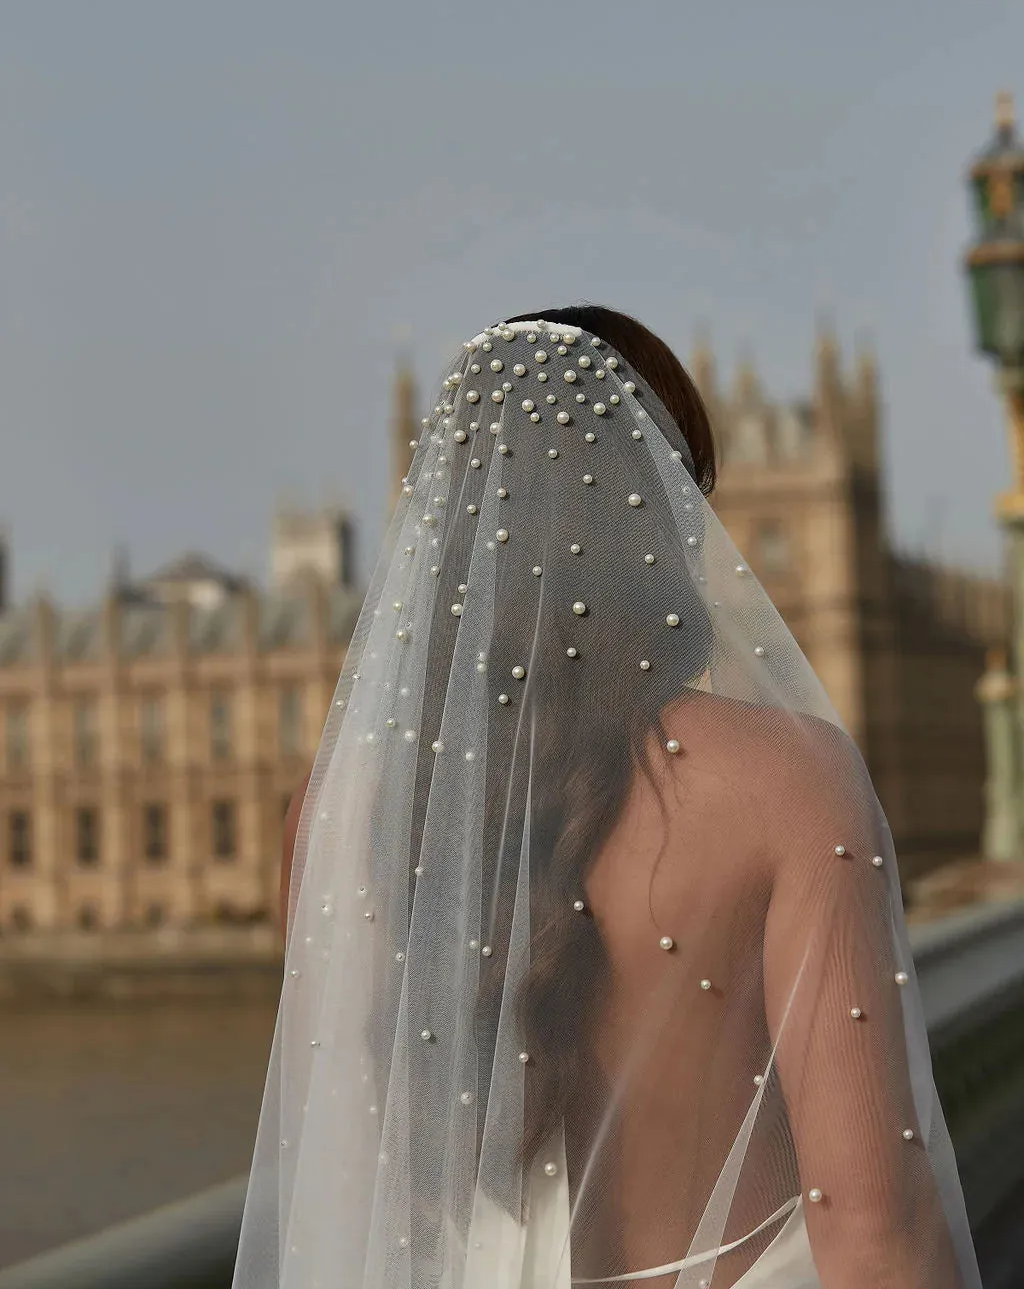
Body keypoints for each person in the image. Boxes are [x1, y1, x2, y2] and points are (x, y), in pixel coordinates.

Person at [234, 306, 980, 1288]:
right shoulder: (786, 782)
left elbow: (348, 1189)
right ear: (653, 518)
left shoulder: (334, 810)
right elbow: (876, 1231)